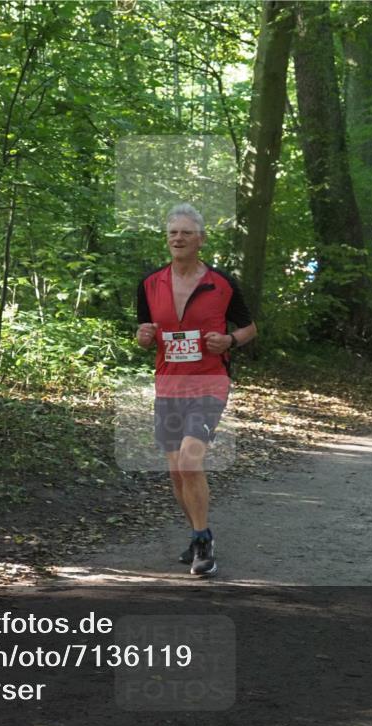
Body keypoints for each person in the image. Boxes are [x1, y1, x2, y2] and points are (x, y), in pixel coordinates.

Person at [136, 204, 257, 577]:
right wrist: (142, 337)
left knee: (190, 460)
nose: (178, 238)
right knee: (176, 472)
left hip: (209, 382)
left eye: (186, 232)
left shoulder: (221, 284)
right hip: (168, 384)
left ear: (201, 239)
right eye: (173, 233)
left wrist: (230, 340)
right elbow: (145, 333)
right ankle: (197, 532)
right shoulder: (149, 283)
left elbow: (250, 328)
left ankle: (203, 543)